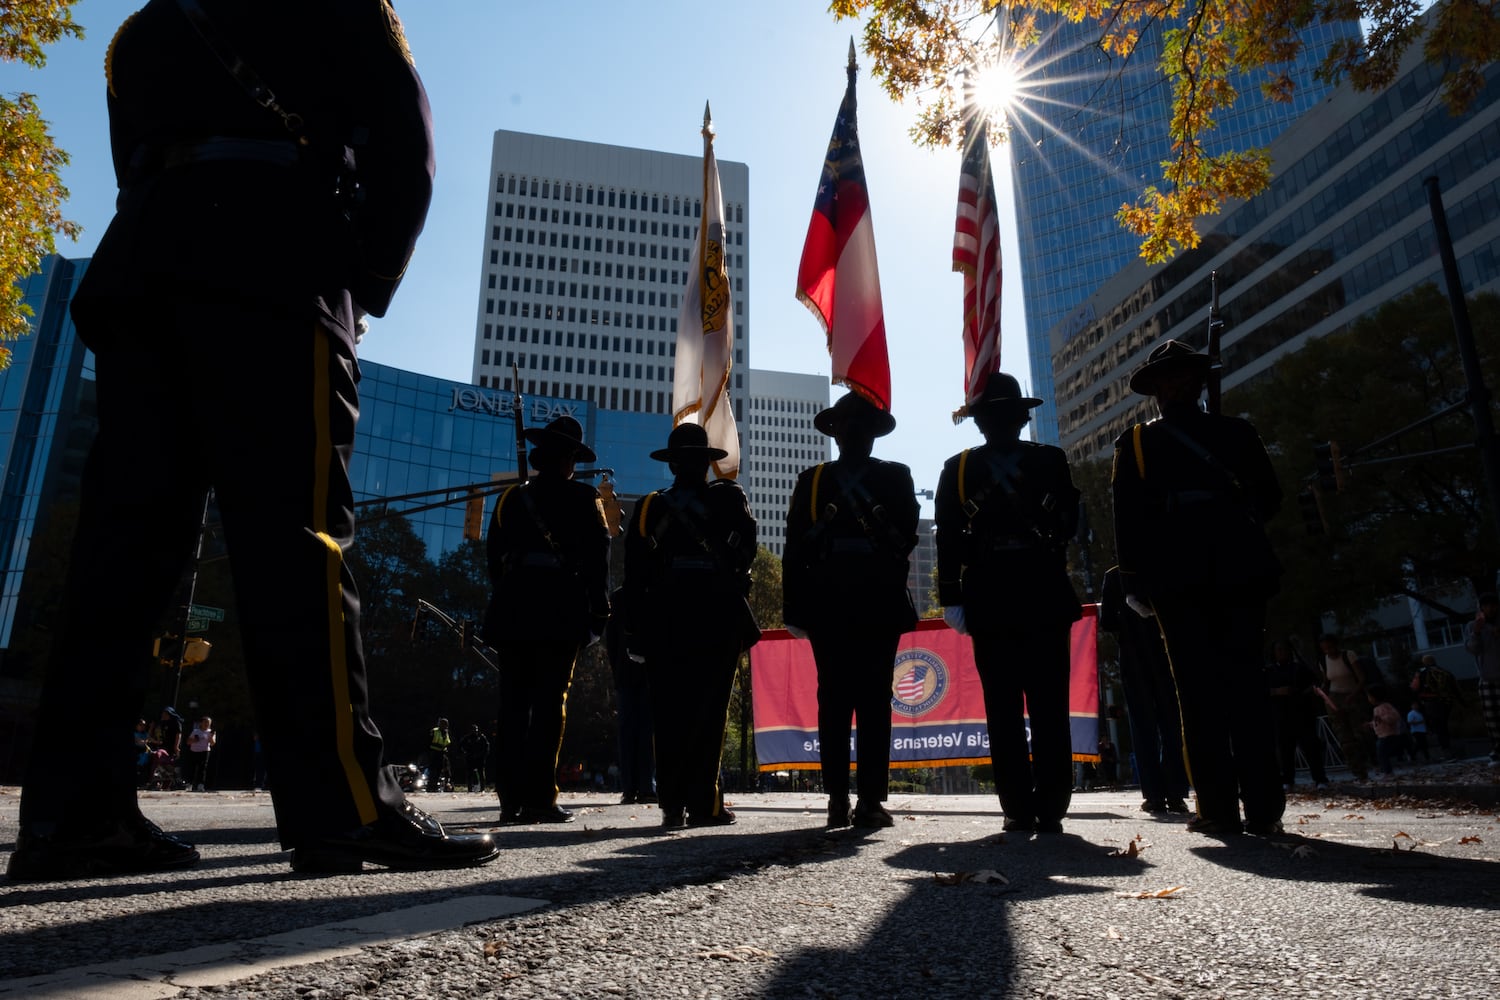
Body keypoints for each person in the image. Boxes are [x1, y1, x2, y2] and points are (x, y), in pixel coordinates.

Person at [5, 0, 497, 880]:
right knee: (298, 543)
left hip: (147, 276)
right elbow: (405, 154)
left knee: (119, 555)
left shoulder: (143, 31)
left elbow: (132, 167)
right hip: (274, 268)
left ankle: (73, 816)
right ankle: (344, 806)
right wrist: (365, 288)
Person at [1111, 340, 1285, 837]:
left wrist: (1133, 581)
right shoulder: (1236, 432)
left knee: (1197, 690)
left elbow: (1130, 522)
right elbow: (1269, 500)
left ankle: (1216, 808)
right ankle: (1264, 806)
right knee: (1246, 684)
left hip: (1176, 575)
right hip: (1238, 567)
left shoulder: (1138, 443)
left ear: (1158, 392)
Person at [935, 372, 1081, 835]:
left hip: (1013, 591)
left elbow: (1068, 524)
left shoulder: (970, 468)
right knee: (1024, 704)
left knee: (1027, 704)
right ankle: (1029, 804)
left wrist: (953, 595)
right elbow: (948, 536)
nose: (996, 424)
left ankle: (1037, 804)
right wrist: (953, 596)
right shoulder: (964, 469)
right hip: (1013, 592)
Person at [783, 393, 918, 829]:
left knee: (847, 700)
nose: (855, 435)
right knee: (859, 700)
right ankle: (851, 799)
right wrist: (795, 608)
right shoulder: (825, 479)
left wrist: (795, 609)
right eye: (852, 428)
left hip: (842, 601)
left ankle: (853, 799)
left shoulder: (822, 479)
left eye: (857, 428)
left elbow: (906, 535)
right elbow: (794, 547)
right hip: (854, 600)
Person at [624, 423, 758, 829]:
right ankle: (705, 803)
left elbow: (634, 577)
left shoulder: (650, 507)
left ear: (672, 466)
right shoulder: (730, 498)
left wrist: (634, 630)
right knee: (709, 713)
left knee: (667, 714)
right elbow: (747, 550)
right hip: (716, 615)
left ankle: (671, 804)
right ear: (705, 465)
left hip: (665, 618)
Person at [483, 415, 611, 824]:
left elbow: (493, 560)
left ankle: (508, 797)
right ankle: (539, 796)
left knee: (513, 704)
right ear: (570, 460)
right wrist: (598, 612)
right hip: (560, 609)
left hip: (514, 607)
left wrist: (513, 590)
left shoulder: (510, 499)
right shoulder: (585, 498)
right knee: (550, 702)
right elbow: (597, 559)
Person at [1099, 565, 1191, 814]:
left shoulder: (1114, 577)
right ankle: (1176, 792)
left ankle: (1153, 794)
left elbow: (1106, 621)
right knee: (1171, 725)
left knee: (1142, 726)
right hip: (1165, 655)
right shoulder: (1163, 568)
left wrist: (1126, 630)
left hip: (1133, 657)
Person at [604, 587, 657, 806]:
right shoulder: (654, 593)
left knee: (628, 732)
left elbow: (612, 642)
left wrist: (616, 671)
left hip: (625, 674)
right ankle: (647, 784)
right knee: (647, 731)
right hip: (648, 675)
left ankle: (630, 787)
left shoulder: (618, 598)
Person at [1265, 638, 1330, 790]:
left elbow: (1314, 684)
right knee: (1285, 749)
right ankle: (1288, 780)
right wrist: (1276, 691)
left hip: (1302, 714)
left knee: (1311, 747)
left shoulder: (1299, 668)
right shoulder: (1269, 671)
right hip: (1281, 715)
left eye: (1285, 649)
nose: (1282, 653)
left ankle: (1320, 779)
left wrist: (1302, 693)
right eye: (1279, 650)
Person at [1317, 633, 1373, 781]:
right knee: (1344, 738)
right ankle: (1357, 771)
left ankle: (1366, 765)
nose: (1328, 651)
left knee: (1359, 735)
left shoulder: (1348, 655)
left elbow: (1361, 678)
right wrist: (1321, 691)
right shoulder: (1323, 661)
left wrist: (1353, 695)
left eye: (1330, 647)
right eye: (1325, 648)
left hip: (1353, 696)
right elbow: (1326, 681)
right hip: (1334, 699)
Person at [1462, 592, 1500, 765]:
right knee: (1492, 718)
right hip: (1486, 678)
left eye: (1493, 605)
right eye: (1487, 606)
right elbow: (1472, 650)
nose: (1491, 609)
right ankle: (1498, 749)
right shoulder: (1473, 626)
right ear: (1481, 607)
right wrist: (1476, 632)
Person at [1410, 654, 1460, 758]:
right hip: (1446, 702)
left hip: (1431, 702)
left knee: (1438, 727)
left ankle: (1446, 750)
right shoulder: (1444, 671)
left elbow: (1414, 687)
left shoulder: (1421, 672)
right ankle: (1448, 748)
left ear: (1424, 662)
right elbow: (1455, 686)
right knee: (1444, 725)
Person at [1367, 686, 1402, 777]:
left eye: (1369, 696)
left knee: (1381, 753)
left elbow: (1395, 717)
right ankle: (1386, 770)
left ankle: (1388, 772)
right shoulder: (1376, 709)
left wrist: (1382, 718)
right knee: (1381, 753)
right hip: (1382, 735)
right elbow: (1377, 722)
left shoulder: (1386, 706)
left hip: (1389, 734)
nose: (1369, 699)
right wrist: (1371, 724)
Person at [184, 716, 216, 792]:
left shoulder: (211, 732)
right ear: (201, 723)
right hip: (194, 751)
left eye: (208, 723)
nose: (207, 724)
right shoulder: (195, 731)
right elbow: (188, 742)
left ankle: (200, 785)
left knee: (202, 769)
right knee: (192, 768)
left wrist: (211, 736)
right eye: (205, 722)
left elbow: (212, 744)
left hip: (205, 752)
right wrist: (194, 740)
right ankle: (189, 785)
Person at [458, 723, 490, 793]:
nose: (475, 731)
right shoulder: (467, 738)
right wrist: (464, 753)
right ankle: (470, 788)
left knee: (481, 774)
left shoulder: (482, 737)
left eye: (476, 729)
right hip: (470, 758)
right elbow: (460, 746)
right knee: (470, 774)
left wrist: (483, 755)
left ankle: (482, 788)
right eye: (473, 729)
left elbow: (486, 747)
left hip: (480, 759)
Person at [424, 718, 453, 793]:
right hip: (434, 753)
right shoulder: (434, 731)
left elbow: (447, 743)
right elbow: (428, 742)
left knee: (439, 771)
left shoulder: (446, 732)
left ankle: (435, 787)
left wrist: (446, 749)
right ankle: (430, 786)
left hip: (442, 754)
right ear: (439, 724)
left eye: (446, 724)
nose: (445, 726)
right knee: (433, 771)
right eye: (443, 724)